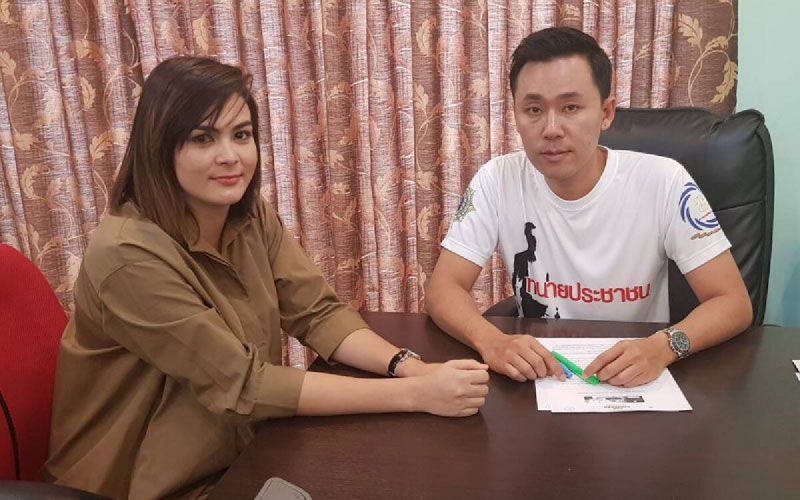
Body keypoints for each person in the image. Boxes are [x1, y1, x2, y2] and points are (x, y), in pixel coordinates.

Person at [45, 57, 489, 500]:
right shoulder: (127, 254)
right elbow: (243, 385)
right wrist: (417, 395)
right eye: (203, 138)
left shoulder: (248, 214)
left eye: (241, 135)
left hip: (245, 447)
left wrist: (410, 367)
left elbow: (318, 313)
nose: (230, 156)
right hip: (146, 482)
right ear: (160, 147)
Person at [425, 27, 752, 389]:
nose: (551, 129)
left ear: (606, 112)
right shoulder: (497, 179)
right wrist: (491, 341)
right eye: (533, 110)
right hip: (543, 378)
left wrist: (662, 348)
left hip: (635, 377)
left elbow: (732, 302)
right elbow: (444, 288)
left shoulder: (664, 181)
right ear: (515, 115)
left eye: (571, 107)